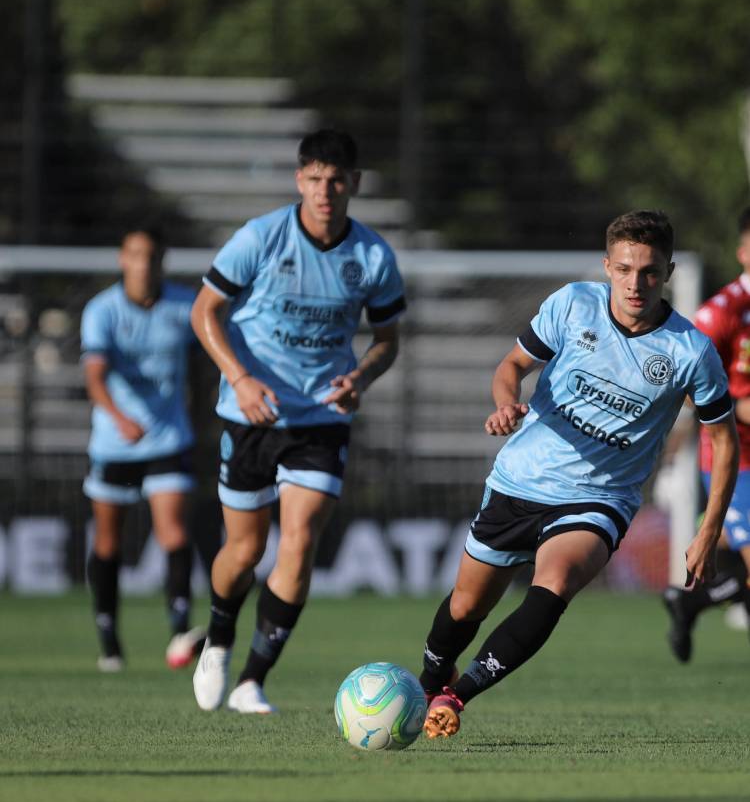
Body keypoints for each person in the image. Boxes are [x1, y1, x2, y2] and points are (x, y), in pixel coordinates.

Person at [418, 210, 739, 739]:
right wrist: (505, 404)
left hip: (599, 497)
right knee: (466, 604)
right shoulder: (571, 305)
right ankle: (432, 682)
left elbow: (723, 441)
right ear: (607, 266)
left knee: (556, 582)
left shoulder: (690, 351)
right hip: (520, 480)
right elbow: (511, 368)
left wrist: (707, 531)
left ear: (669, 272)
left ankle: (459, 693)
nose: (637, 284)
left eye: (651, 272)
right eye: (626, 269)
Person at [190, 128, 405, 714]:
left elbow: (387, 341)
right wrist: (239, 377)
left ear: (354, 184)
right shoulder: (260, 238)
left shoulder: (372, 257)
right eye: (314, 178)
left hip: (321, 418)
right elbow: (204, 311)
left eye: (336, 179)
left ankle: (252, 680)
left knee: (301, 539)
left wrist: (360, 378)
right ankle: (219, 636)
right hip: (251, 412)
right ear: (299, 181)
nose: (325, 190)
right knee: (244, 550)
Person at [81, 228, 206, 672]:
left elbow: (206, 355)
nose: (143, 263)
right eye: (135, 254)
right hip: (116, 443)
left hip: (168, 439)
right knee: (109, 541)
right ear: (122, 259)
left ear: (161, 261)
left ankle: (178, 632)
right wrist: (118, 416)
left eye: (151, 255)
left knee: (172, 531)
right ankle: (109, 638)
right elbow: (95, 374)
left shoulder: (183, 305)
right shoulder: (102, 311)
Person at [663, 207, 750, 661]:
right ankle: (692, 598)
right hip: (739, 459)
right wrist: (738, 407)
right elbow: (686, 386)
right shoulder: (722, 313)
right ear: (742, 251)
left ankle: (690, 599)